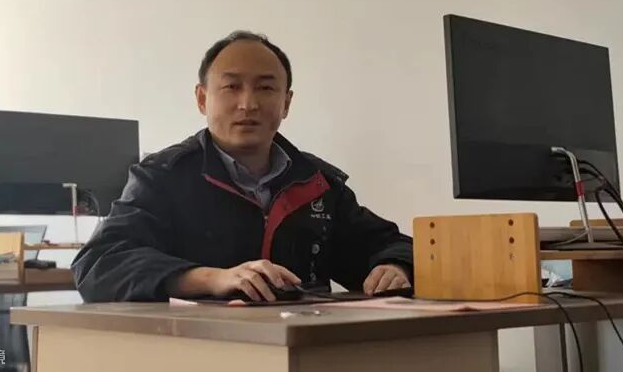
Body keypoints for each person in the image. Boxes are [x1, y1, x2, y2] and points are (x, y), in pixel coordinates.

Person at [71, 30, 414, 302]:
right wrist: (212, 278)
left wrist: (395, 266)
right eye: (231, 87)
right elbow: (99, 264)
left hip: (302, 345)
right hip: (201, 348)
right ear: (202, 98)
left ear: (286, 103)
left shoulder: (317, 183)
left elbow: (392, 244)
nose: (248, 104)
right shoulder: (164, 176)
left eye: (265, 88)